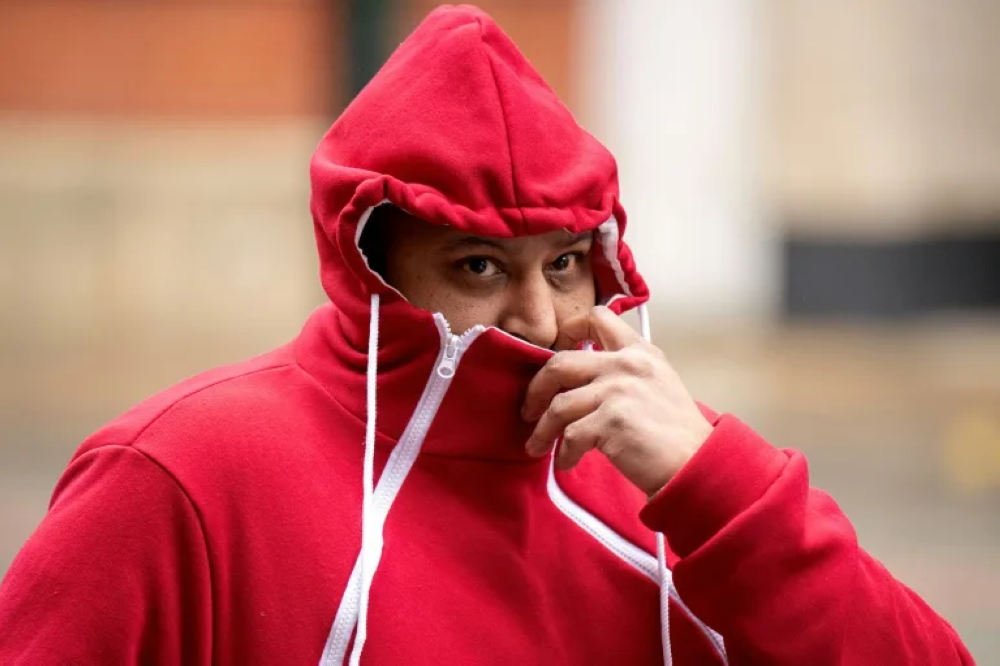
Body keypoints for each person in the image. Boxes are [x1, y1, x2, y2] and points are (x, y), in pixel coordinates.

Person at [0, 5, 974, 665]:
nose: (543, 320)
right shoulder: (182, 472)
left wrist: (725, 487)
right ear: (373, 269)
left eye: (563, 263)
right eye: (478, 268)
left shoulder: (673, 480)